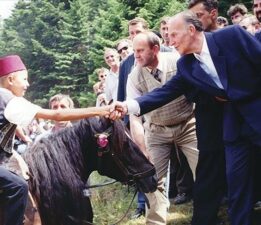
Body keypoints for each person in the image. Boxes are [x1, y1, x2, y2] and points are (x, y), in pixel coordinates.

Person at [110, 11, 261, 225]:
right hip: (234, 130)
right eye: (168, 36)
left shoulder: (232, 36)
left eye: (173, 35)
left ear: (191, 30)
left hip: (257, 114)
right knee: (237, 188)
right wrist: (126, 106)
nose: (169, 41)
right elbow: (164, 92)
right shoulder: (186, 65)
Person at [0, 55, 110, 225]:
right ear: (11, 79)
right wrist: (100, 111)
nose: (28, 84)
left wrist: (14, 155)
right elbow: (56, 115)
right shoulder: (10, 101)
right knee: (18, 186)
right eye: (25, 79)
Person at [127, 31, 198, 225]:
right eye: (134, 51)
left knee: (203, 169)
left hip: (188, 124)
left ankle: (207, 216)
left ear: (155, 49)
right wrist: (142, 150)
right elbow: (134, 117)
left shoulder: (177, 61)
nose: (136, 55)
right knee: (153, 180)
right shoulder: (134, 76)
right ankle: (155, 222)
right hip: (156, 131)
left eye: (140, 50)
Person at [187, 1, 227, 224]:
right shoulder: (188, 53)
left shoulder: (231, 39)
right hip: (209, 120)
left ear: (213, 14)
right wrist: (212, 96)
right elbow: (185, 88)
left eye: (199, 15)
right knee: (208, 172)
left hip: (243, 118)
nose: (194, 21)